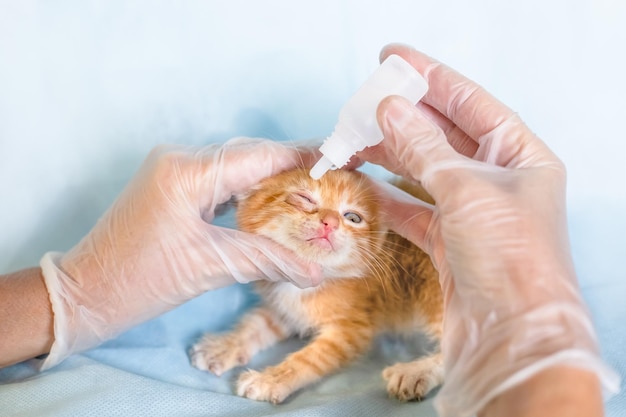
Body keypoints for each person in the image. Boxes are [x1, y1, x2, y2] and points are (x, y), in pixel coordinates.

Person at [0, 43, 618, 417]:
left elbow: (341, 337)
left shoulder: (362, 276)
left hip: (427, 290)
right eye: (305, 200)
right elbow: (282, 312)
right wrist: (77, 293)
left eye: (352, 217)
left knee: (438, 308)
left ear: (371, 240)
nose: (327, 222)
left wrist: (282, 372)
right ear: (245, 203)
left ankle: (442, 361)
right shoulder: (275, 273)